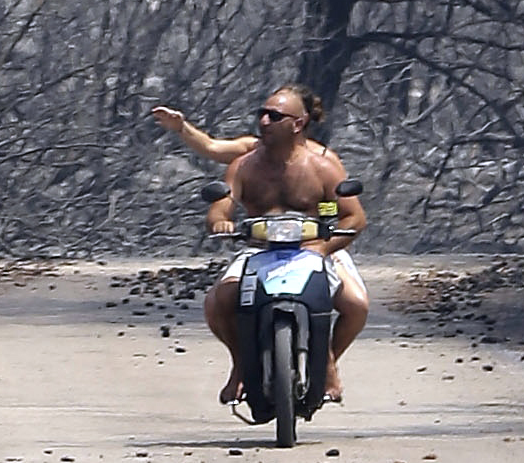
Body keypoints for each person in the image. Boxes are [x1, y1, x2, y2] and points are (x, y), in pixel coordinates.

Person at [149, 85, 369, 406]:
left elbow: (353, 216)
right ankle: (240, 364)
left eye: (274, 116)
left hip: (314, 247)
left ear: (298, 123)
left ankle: (328, 362)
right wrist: (221, 220)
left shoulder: (323, 163)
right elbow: (219, 194)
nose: (264, 121)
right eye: (261, 114)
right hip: (259, 249)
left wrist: (325, 243)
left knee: (356, 305)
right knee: (218, 300)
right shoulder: (245, 161)